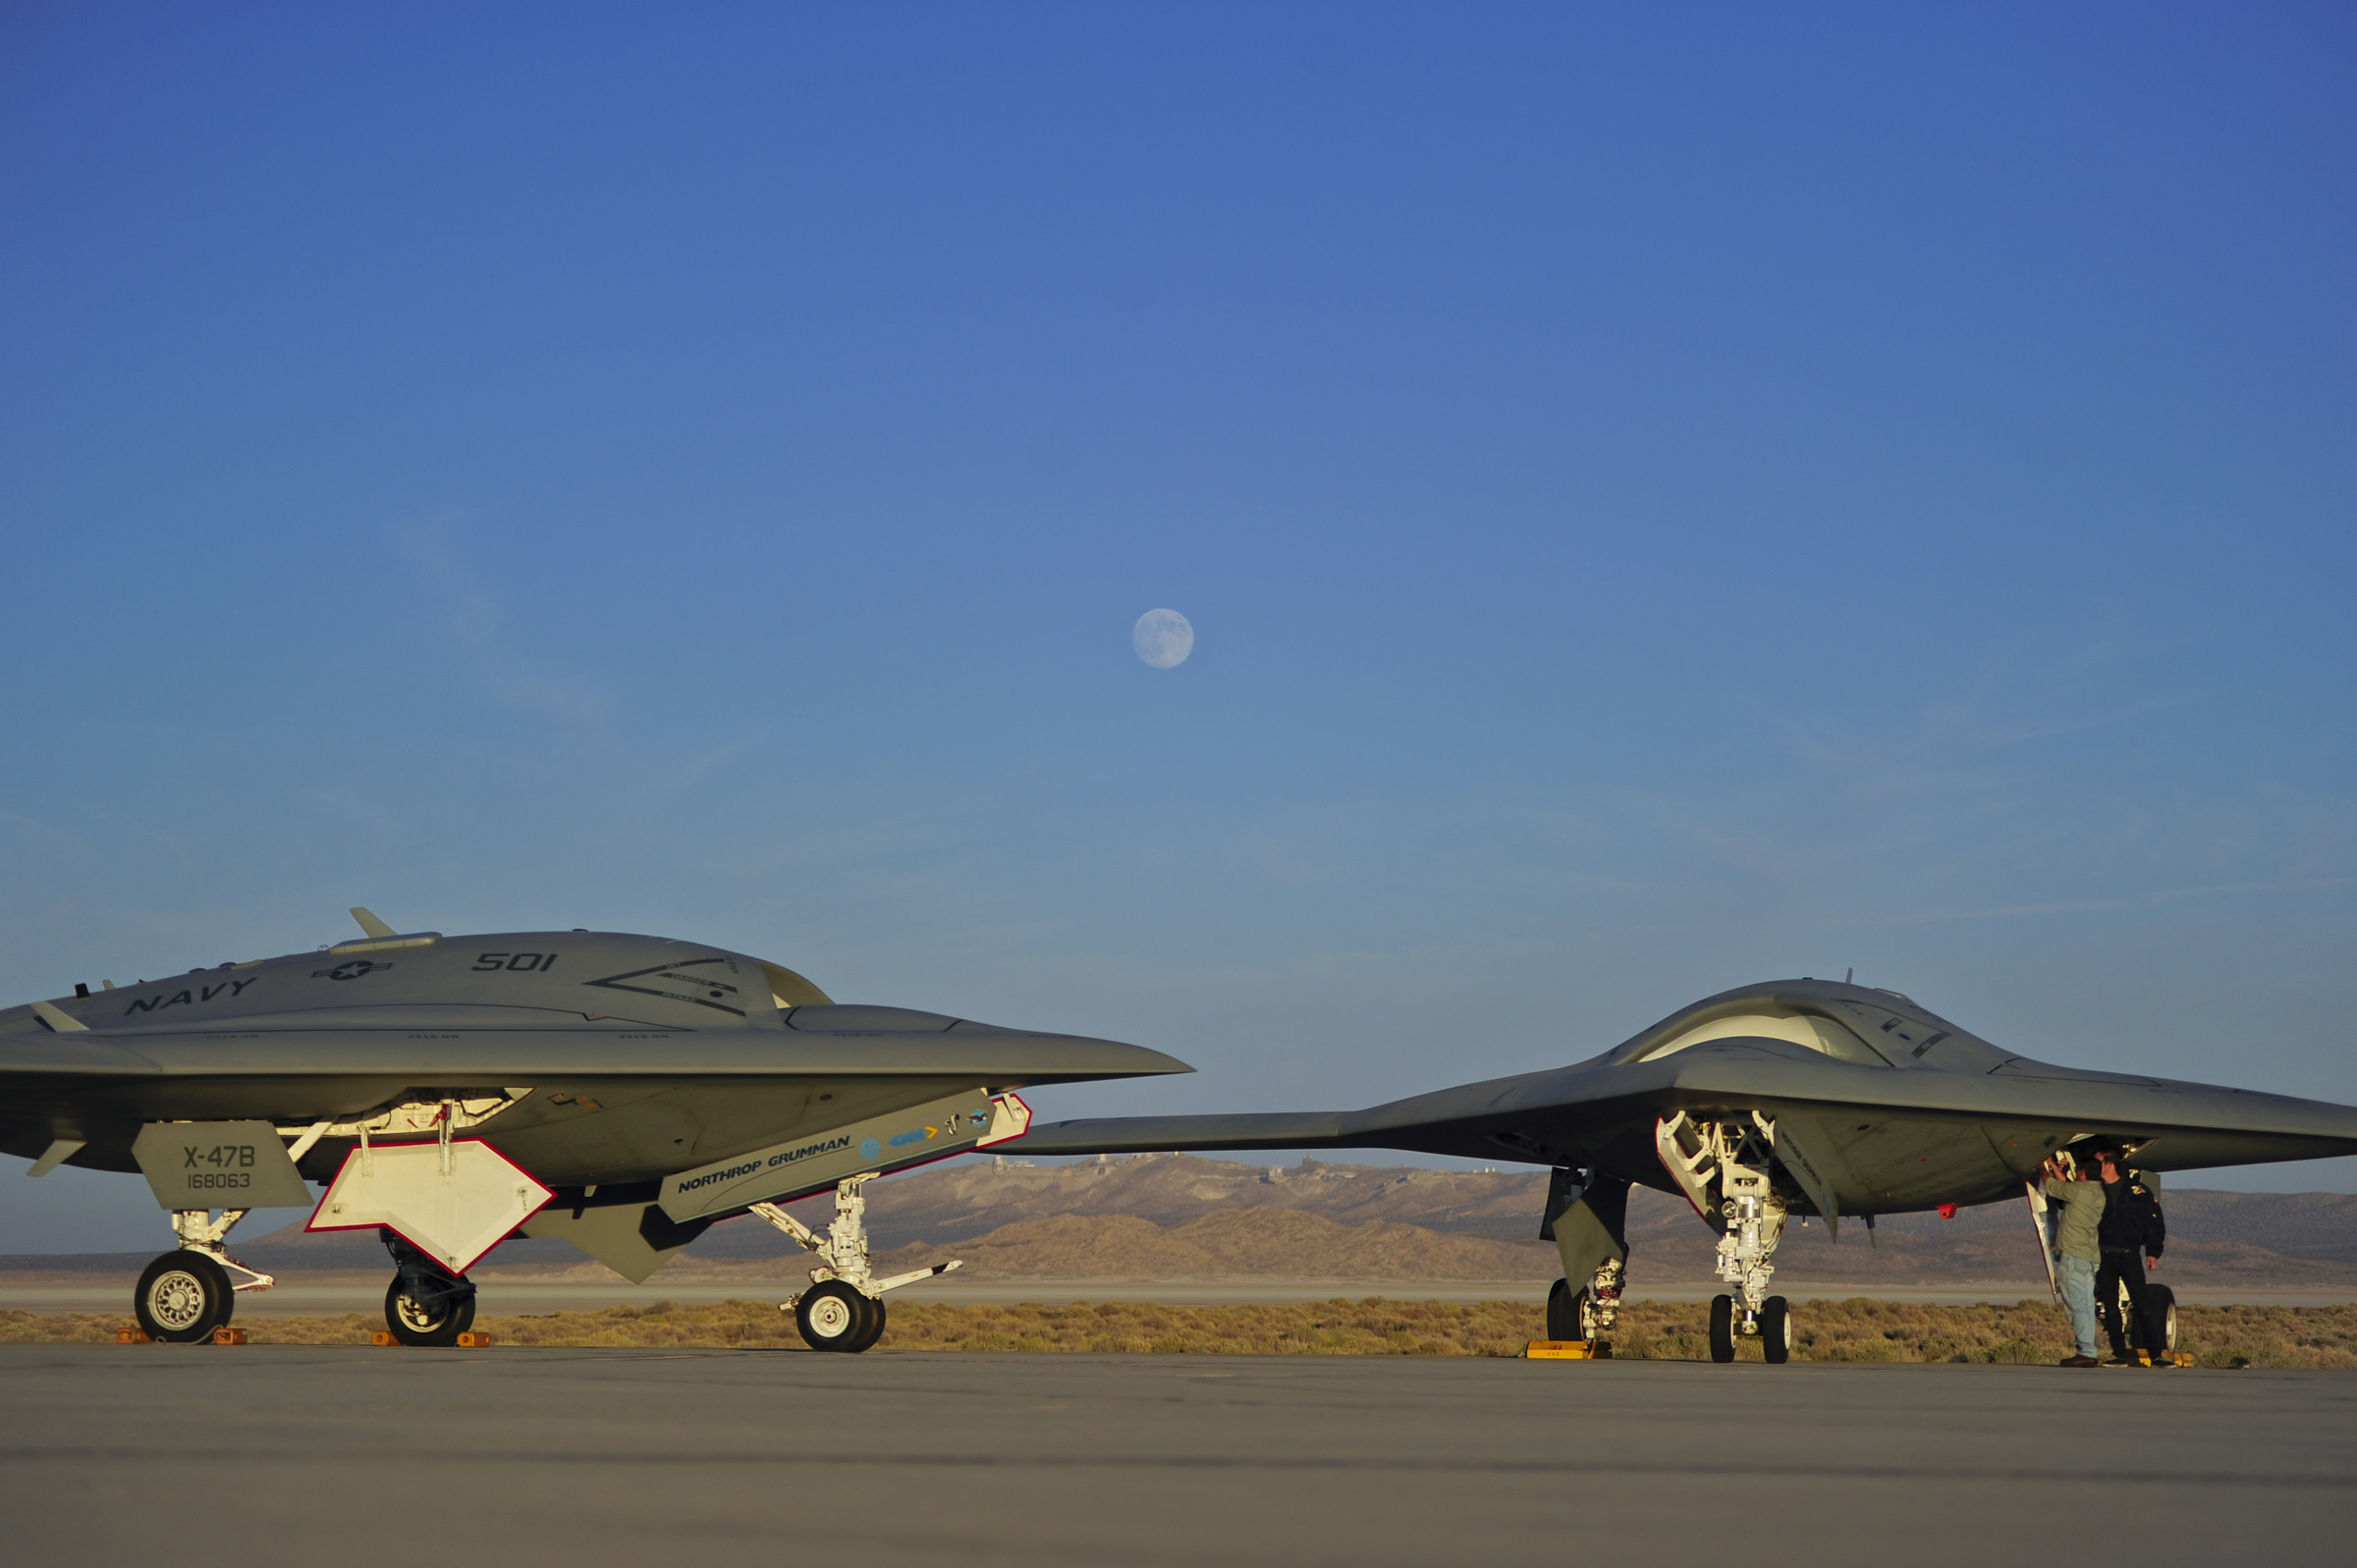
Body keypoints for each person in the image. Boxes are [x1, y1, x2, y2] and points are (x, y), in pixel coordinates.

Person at [2091, 1143, 2167, 1366]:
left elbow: (2153, 1221)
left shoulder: (2137, 1191)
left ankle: (2156, 1354)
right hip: (2103, 1255)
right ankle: (2119, 1354)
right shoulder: (2094, 1190)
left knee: (2143, 1305)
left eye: (2098, 1162)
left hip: (2129, 1255)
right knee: (2111, 1308)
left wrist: (2153, 1252)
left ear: (2109, 1163)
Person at [2038, 1152, 2109, 1366]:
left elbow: (2051, 1186)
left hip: (2075, 1258)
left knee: (2077, 1306)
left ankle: (2087, 1351)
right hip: (2088, 1257)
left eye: (2078, 1171)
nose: (2076, 1174)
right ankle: (2087, 1349)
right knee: (2085, 1305)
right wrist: (2055, 1166)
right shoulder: (2097, 1193)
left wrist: (2041, 1167)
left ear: (2084, 1174)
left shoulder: (2078, 1191)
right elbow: (2065, 1186)